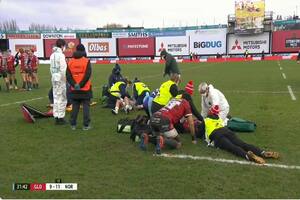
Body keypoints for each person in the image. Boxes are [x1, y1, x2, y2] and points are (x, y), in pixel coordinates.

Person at [203, 105, 279, 164]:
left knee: (232, 147)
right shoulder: (219, 118)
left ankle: (248, 156)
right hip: (227, 131)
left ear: (211, 112)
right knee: (242, 144)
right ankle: (262, 152)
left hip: (217, 135)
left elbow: (200, 132)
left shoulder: (206, 120)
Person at [67, 44, 92, 131]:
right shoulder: (86, 61)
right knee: (86, 107)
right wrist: (80, 85)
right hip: (85, 88)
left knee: (75, 107)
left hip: (74, 89)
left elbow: (68, 75)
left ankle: (73, 124)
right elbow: (87, 75)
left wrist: (74, 84)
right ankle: (86, 125)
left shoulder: (70, 61)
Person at [50, 39, 68, 125]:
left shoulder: (52, 55)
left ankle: (56, 116)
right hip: (60, 78)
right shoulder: (61, 55)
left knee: (56, 98)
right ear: (62, 46)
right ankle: (60, 117)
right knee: (62, 98)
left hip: (54, 78)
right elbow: (63, 69)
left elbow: (51, 68)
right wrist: (65, 79)